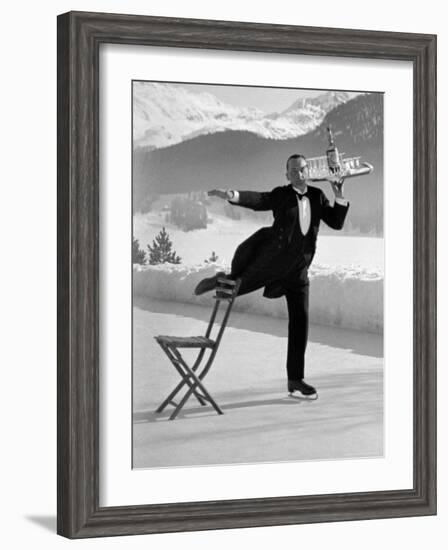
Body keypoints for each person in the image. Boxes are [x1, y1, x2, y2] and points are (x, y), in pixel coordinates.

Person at [194, 154, 349, 397]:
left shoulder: (318, 196)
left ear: (307, 171)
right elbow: (259, 199)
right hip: (273, 261)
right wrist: (232, 195)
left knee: (301, 323)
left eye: (301, 169)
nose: (298, 174)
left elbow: (337, 223)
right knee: (237, 286)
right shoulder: (281, 194)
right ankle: (221, 279)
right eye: (292, 170)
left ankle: (295, 380)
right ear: (287, 175)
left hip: (299, 270)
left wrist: (338, 194)